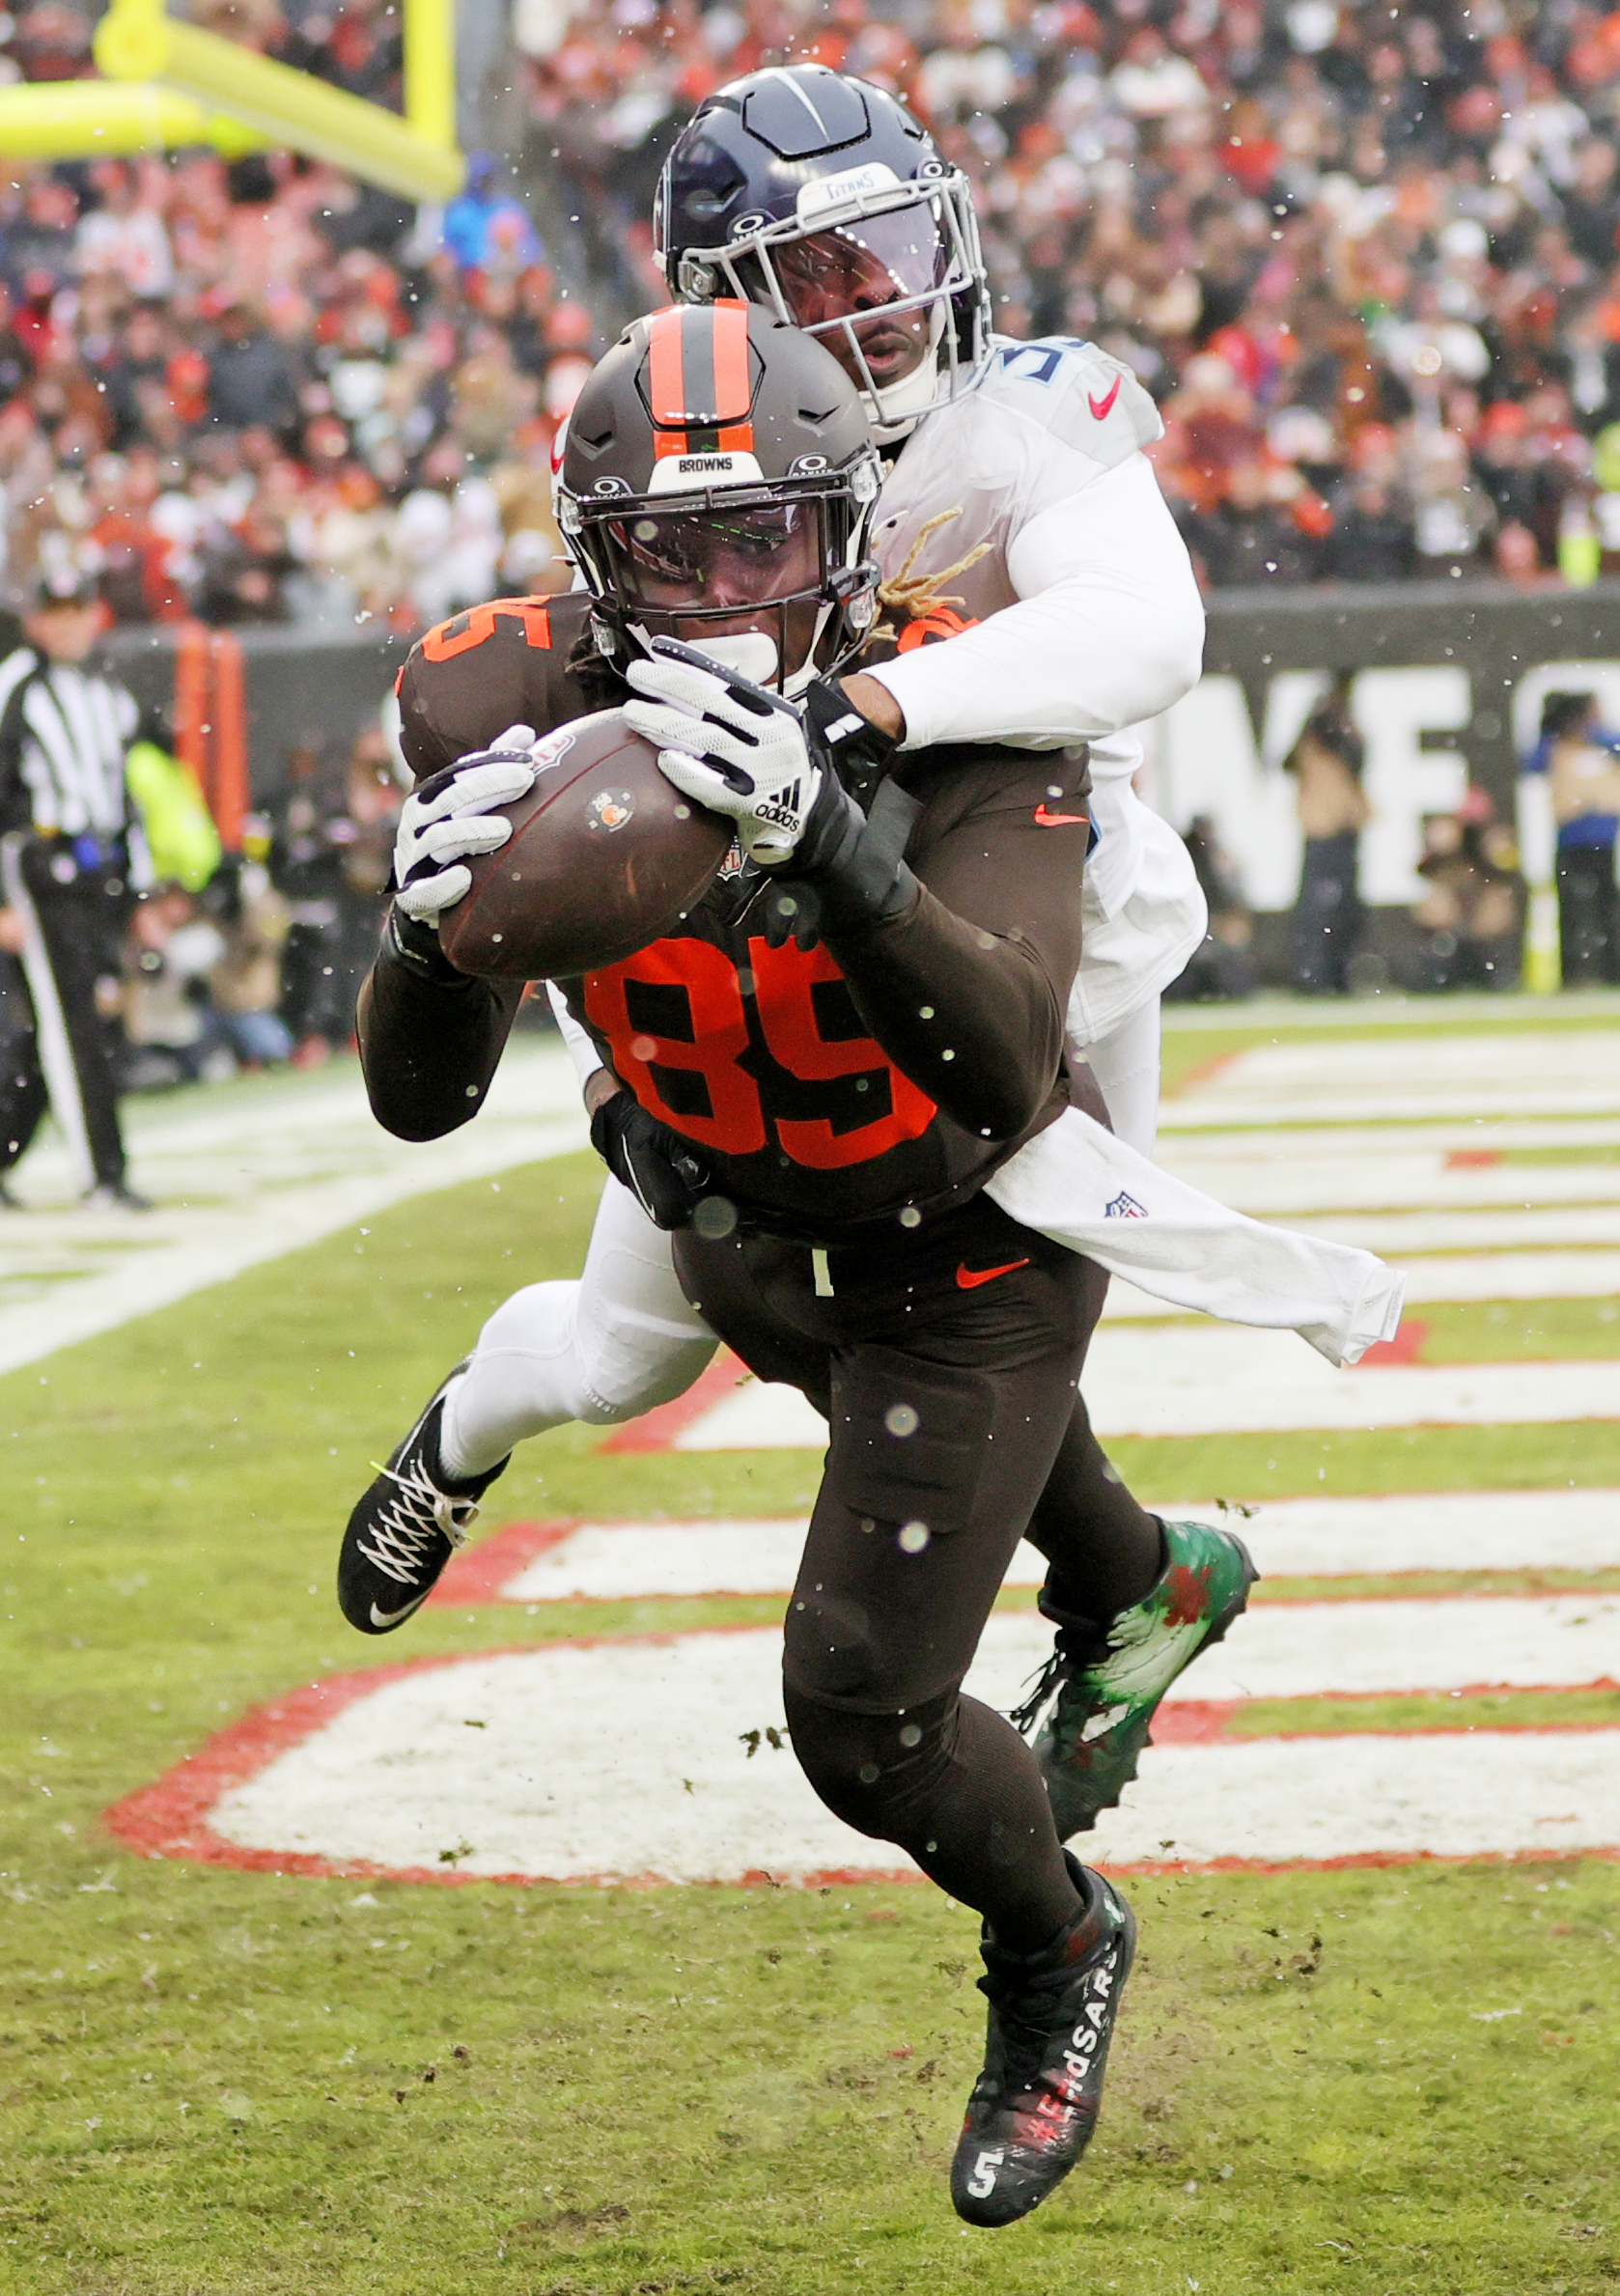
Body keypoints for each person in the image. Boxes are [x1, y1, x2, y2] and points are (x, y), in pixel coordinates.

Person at [344, 70, 1279, 1839]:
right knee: (634, 1347)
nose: (878, 302)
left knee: (1028, 1279)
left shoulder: (1021, 413)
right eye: (819, 271)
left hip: (1030, 921)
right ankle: (460, 1432)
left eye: (890, 249)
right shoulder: (689, 429)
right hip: (743, 933)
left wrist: (857, 712)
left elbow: (1144, 629)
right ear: (721, 307)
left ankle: (1127, 1594)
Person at [346, 301, 1160, 2229]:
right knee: (878, 1444)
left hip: (974, 1242)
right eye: (668, 552)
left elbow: (1003, 1053)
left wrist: (828, 835)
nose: (720, 598)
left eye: (766, 543)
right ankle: (1136, 1574)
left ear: (849, 533)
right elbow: (416, 1104)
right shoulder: (490, 697)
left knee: (856, 1714)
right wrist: (420, 933)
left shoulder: (959, 692)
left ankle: (1054, 1945)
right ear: (585, 552)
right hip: (738, 1232)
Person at [0, 563, 151, 1208]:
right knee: (75, 1027)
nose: (67, 624)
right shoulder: (14, 689)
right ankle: (104, 1175)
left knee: (58, 1030)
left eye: (77, 608)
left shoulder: (105, 693)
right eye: (54, 610)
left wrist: (137, 888)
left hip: (98, 874)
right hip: (38, 872)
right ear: (33, 620)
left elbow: (123, 796)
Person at [1284, 672, 1370, 996]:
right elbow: (1289, 762)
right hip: (1324, 827)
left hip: (1342, 825)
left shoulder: (1334, 730)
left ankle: (1335, 975)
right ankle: (1314, 976)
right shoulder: (1321, 731)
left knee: (1343, 907)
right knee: (1320, 907)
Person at [1531, 691, 1620, 985]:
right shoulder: (1559, 748)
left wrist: (1595, 736)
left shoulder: (1603, 746)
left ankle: (1611, 972)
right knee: (1571, 911)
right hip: (1571, 841)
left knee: (1609, 910)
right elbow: (1531, 759)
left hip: (1606, 843)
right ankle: (1573, 976)